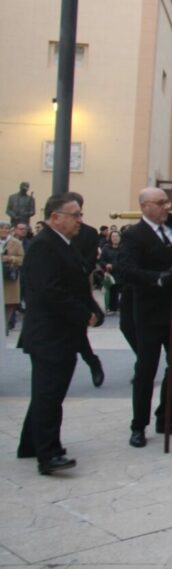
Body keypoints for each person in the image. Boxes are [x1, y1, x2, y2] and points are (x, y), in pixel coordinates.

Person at [16, 193, 102, 475]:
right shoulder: (44, 246)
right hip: (49, 334)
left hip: (61, 333)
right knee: (49, 396)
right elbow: (49, 291)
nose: (80, 220)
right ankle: (49, 454)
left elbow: (77, 282)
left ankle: (30, 444)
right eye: (74, 215)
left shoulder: (64, 244)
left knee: (46, 393)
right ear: (56, 217)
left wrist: (93, 308)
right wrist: (82, 313)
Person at [117, 187, 172, 448]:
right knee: (147, 368)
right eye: (160, 203)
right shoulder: (134, 235)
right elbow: (126, 270)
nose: (166, 207)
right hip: (151, 311)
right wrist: (159, 278)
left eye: (167, 202)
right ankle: (139, 425)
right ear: (144, 206)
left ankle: (167, 415)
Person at [67, 193, 104, 388]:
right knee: (74, 334)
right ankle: (93, 361)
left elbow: (90, 258)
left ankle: (92, 362)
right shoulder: (48, 237)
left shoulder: (89, 233)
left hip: (80, 281)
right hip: (60, 287)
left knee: (79, 330)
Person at [2, 220, 24, 335]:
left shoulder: (16, 243)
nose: (4, 231)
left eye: (6, 228)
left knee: (9, 303)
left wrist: (10, 258)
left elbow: (21, 260)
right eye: (2, 228)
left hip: (10, 277)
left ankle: (5, 325)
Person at [99, 229, 123, 314]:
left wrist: (115, 265)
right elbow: (101, 260)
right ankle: (111, 308)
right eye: (113, 236)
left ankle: (120, 307)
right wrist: (106, 265)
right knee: (111, 291)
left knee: (121, 291)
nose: (115, 238)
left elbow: (125, 260)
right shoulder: (106, 248)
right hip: (110, 273)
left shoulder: (123, 248)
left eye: (117, 236)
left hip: (121, 273)